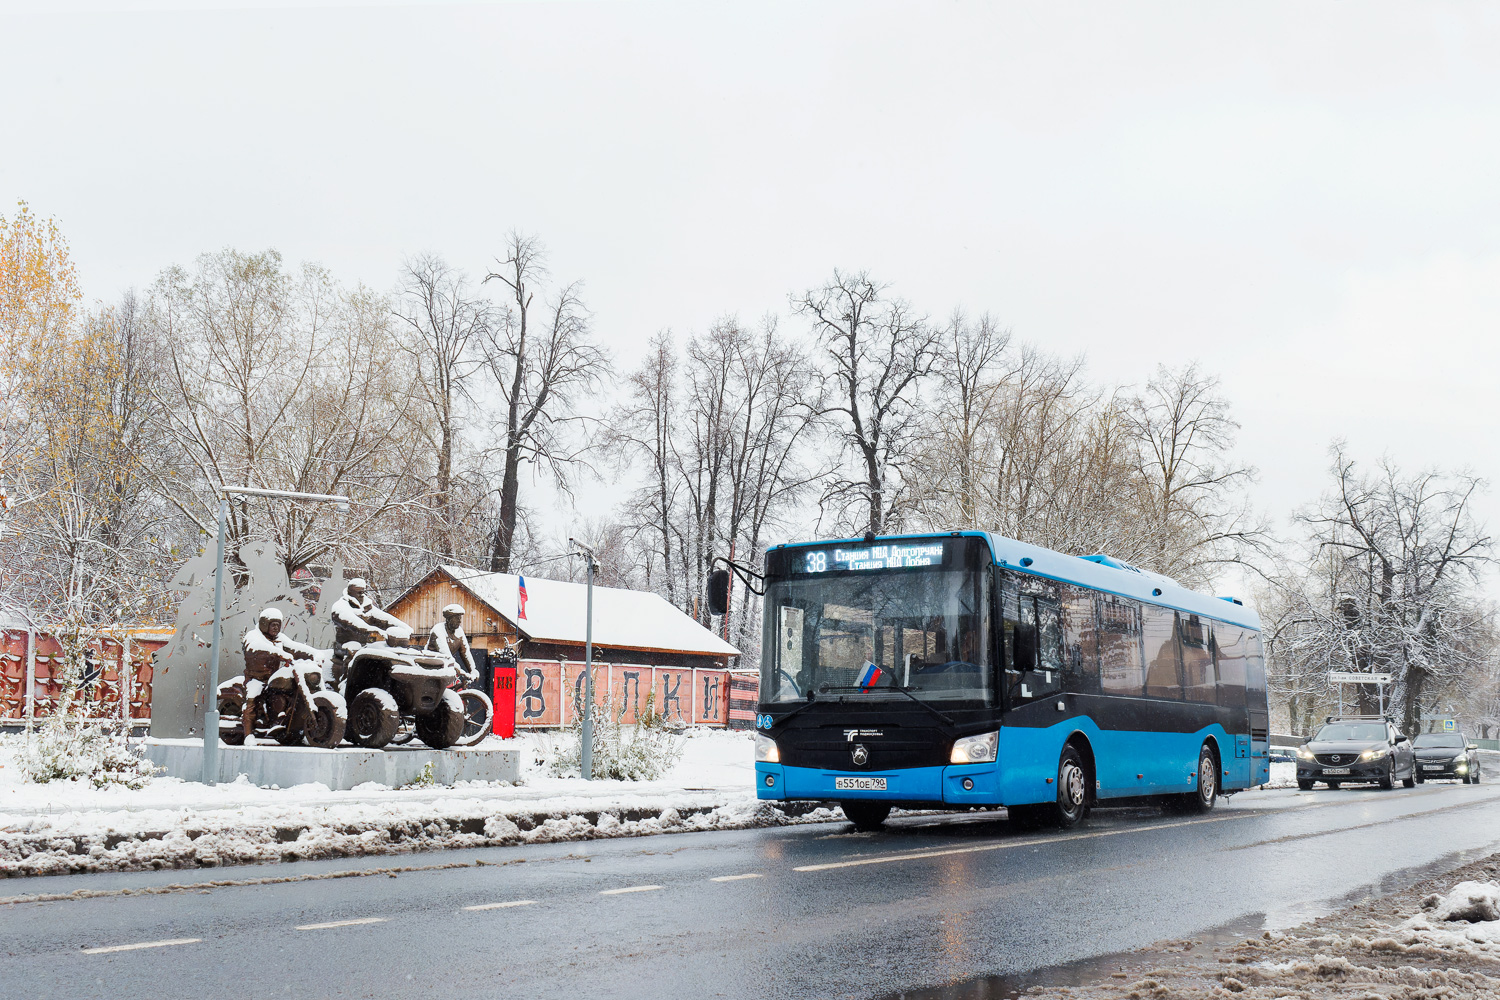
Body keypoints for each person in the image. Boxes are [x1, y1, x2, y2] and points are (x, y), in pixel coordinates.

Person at [240, 608, 316, 746]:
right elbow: (257, 647)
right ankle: (248, 734)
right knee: (252, 700)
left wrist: (314, 654)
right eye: (272, 624)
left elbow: (294, 647)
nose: (276, 628)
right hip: (255, 678)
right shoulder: (253, 637)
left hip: (271, 678)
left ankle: (282, 720)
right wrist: (279, 653)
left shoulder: (279, 639)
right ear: (264, 624)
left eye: (277, 624)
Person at [329, 578, 402, 681]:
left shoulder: (367, 607)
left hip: (365, 645)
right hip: (344, 646)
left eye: (363, 591)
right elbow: (351, 622)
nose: (362, 594)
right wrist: (370, 629)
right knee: (354, 653)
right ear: (350, 591)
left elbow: (384, 619)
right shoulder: (340, 607)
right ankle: (346, 683)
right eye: (359, 592)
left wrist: (402, 627)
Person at [427, 603, 479, 686]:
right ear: (448, 619)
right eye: (457, 618)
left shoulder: (459, 632)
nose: (460, 621)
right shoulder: (438, 630)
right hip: (431, 670)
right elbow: (446, 655)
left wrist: (473, 670)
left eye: (460, 617)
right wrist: (458, 669)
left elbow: (465, 653)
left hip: (445, 669)